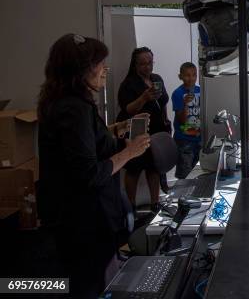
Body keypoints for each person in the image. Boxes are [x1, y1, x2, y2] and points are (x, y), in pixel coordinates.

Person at [37, 34, 150, 298]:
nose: (104, 69)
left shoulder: (61, 101)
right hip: (83, 222)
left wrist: (115, 129)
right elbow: (88, 173)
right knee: (88, 284)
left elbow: (82, 144)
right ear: (81, 70)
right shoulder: (74, 109)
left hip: (74, 219)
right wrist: (129, 152)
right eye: (99, 64)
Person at [117, 47, 170, 210]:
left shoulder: (157, 79)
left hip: (156, 129)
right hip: (136, 131)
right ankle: (131, 208)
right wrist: (144, 97)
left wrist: (165, 120)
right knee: (134, 169)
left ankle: (155, 204)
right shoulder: (128, 84)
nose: (147, 67)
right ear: (135, 65)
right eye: (143, 64)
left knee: (154, 167)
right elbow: (128, 109)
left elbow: (163, 102)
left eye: (150, 63)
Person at [171, 62, 202, 179]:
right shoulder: (178, 93)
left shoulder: (201, 91)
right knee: (185, 175)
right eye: (187, 75)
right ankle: (182, 196)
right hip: (184, 140)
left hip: (199, 138)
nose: (191, 78)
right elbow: (182, 120)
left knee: (199, 173)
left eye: (194, 75)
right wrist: (185, 104)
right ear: (180, 77)